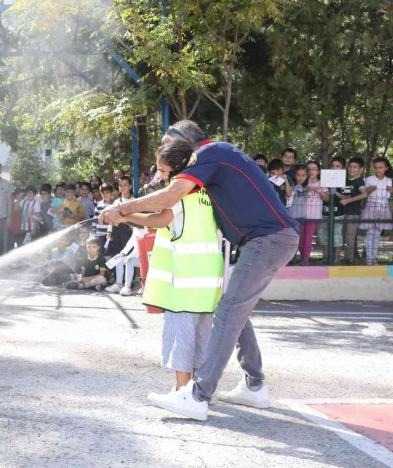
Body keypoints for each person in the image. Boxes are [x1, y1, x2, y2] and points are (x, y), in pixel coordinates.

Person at [100, 120, 299, 422]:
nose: (168, 153)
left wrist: (124, 207)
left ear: (187, 144)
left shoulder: (207, 154)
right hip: (270, 239)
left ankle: (198, 395)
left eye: (170, 145)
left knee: (229, 311)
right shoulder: (218, 157)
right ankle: (254, 385)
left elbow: (168, 199)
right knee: (235, 311)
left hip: (268, 239)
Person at [122, 139, 223, 393]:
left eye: (164, 170)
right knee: (203, 338)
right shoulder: (207, 191)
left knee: (183, 337)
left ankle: (182, 392)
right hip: (209, 279)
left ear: (178, 169)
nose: (160, 175)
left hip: (185, 280)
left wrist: (123, 214)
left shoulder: (181, 192)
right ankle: (200, 393)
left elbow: (159, 219)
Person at [360, 157, 393, 265]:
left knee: (377, 234)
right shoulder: (369, 179)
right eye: (376, 168)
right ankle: (369, 257)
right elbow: (363, 194)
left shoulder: (389, 181)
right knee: (370, 233)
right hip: (371, 206)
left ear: (386, 168)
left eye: (380, 168)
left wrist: (391, 191)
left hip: (383, 207)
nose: (378, 170)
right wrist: (369, 190)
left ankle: (374, 257)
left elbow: (389, 196)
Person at [319, 157, 347, 263]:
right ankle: (325, 257)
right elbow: (324, 198)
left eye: (338, 166)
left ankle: (336, 258)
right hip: (325, 212)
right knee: (323, 236)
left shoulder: (345, 182)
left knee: (337, 236)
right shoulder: (325, 181)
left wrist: (335, 192)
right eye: (332, 166)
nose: (334, 169)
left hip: (338, 214)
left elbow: (347, 197)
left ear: (343, 168)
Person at [104, 226, 147, 296]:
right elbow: (130, 243)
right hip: (136, 257)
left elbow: (141, 246)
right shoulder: (135, 230)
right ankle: (118, 285)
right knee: (119, 260)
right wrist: (122, 253)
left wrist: (131, 255)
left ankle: (127, 287)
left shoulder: (146, 230)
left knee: (129, 261)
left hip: (145, 258)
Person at [340, 158, 367, 264]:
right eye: (350, 166)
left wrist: (348, 200)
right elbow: (340, 193)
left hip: (353, 213)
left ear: (361, 169)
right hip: (342, 212)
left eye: (355, 167)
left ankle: (349, 259)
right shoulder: (345, 180)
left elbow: (364, 194)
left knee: (350, 237)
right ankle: (344, 257)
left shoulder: (359, 181)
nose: (351, 169)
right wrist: (340, 195)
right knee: (343, 237)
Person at [297, 161, 323, 265]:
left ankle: (305, 260)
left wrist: (320, 192)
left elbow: (327, 198)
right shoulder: (303, 182)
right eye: (309, 169)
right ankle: (303, 258)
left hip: (314, 215)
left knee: (308, 238)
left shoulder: (322, 183)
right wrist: (305, 191)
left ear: (318, 171)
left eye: (314, 168)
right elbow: (297, 196)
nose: (311, 171)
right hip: (301, 214)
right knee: (300, 238)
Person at [106, 176, 135, 256]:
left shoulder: (134, 201)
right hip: (116, 230)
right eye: (120, 185)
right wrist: (109, 232)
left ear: (130, 186)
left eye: (125, 185)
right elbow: (111, 218)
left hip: (128, 230)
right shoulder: (116, 202)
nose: (123, 187)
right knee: (117, 252)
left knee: (128, 252)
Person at [94, 184, 114, 248]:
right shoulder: (98, 205)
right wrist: (93, 232)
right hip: (100, 233)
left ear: (112, 192)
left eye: (107, 192)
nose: (105, 195)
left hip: (111, 234)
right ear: (101, 193)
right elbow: (95, 219)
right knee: (101, 251)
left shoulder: (115, 204)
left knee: (110, 251)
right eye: (103, 193)